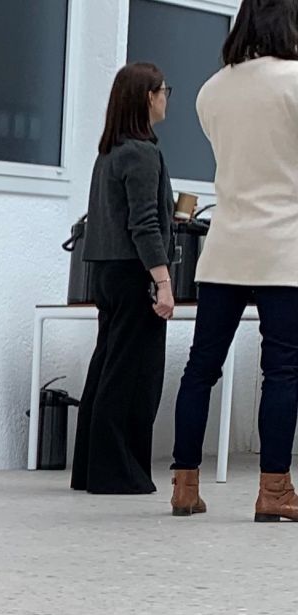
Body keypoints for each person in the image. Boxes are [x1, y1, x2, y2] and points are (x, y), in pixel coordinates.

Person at [170, 0, 298, 521]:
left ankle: (184, 485)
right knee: (283, 371)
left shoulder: (211, 89)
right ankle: (273, 491)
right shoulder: (294, 81)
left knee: (200, 368)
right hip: (283, 247)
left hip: (224, 246)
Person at [71, 63, 176, 497]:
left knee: (107, 367)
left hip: (106, 273)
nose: (167, 96)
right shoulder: (142, 153)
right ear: (147, 98)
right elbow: (145, 224)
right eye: (163, 90)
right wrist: (164, 281)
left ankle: (91, 469)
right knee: (134, 375)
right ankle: (119, 472)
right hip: (135, 274)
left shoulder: (110, 152)